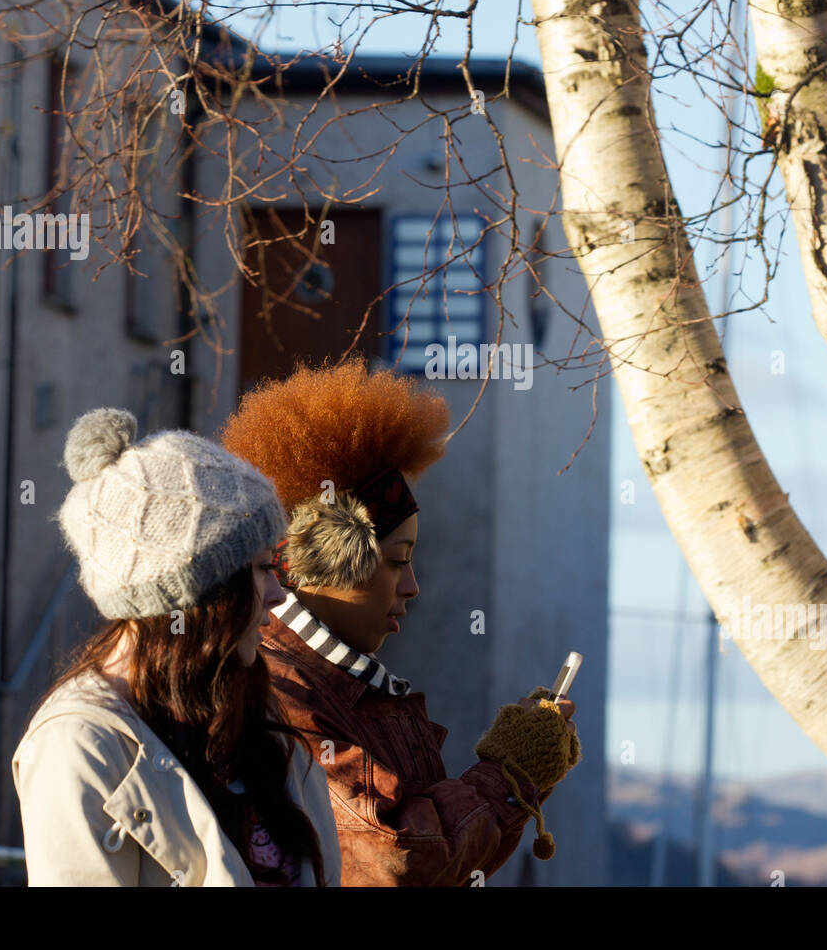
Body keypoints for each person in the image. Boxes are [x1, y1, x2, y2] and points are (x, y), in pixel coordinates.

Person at [220, 359, 581, 886]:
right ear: (324, 558)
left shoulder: (345, 686)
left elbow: (453, 868)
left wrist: (515, 778)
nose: (412, 586)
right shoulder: (279, 691)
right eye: (397, 560)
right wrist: (507, 772)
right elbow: (399, 857)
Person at [12, 407, 341, 886]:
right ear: (199, 594)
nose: (278, 593)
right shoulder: (80, 745)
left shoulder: (249, 714)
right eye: (260, 568)